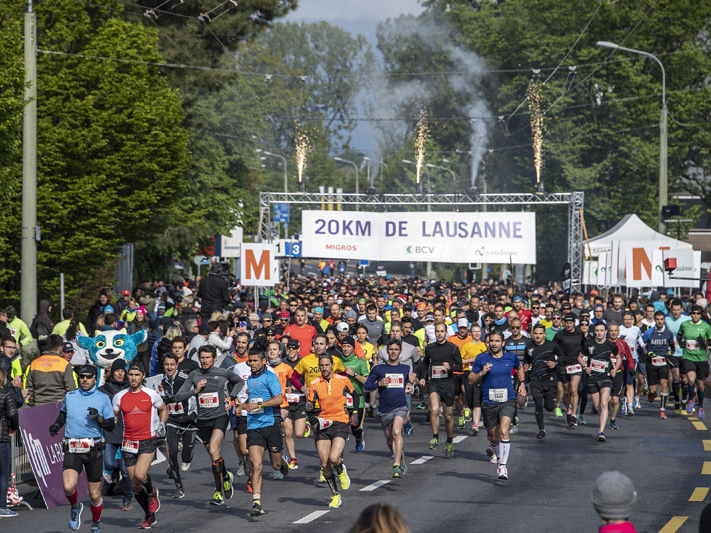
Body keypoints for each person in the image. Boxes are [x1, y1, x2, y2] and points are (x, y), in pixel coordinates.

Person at [174, 345, 244, 505]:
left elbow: (239, 382)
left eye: (208, 357)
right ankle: (226, 476)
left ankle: (218, 492)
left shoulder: (222, 373)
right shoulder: (194, 375)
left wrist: (231, 397)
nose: (205, 361)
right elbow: (179, 396)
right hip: (203, 421)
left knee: (213, 449)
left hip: (219, 417)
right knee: (214, 454)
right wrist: (195, 391)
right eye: (202, 358)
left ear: (214, 359)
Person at [49, 365, 115, 533]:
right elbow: (64, 413)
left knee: (94, 495)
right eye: (82, 376)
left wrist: (98, 418)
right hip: (73, 447)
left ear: (95, 379)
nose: (84, 379)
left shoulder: (103, 398)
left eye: (88, 377)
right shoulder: (70, 396)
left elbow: (110, 425)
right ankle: (75, 507)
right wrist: (57, 424)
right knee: (68, 487)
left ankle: (96, 522)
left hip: (94, 449)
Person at [112, 362, 167, 529]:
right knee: (134, 484)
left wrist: (162, 424)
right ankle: (149, 515)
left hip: (147, 441)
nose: (133, 378)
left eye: (137, 375)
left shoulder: (151, 394)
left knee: (140, 475)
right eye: (131, 375)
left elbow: (163, 409)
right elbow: (112, 417)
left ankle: (152, 492)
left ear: (143, 376)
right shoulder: (119, 396)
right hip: (128, 443)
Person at [238, 351, 289, 517]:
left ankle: (281, 460)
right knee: (256, 465)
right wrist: (242, 406)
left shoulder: (270, 377)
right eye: (250, 361)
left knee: (275, 466)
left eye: (255, 361)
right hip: (254, 426)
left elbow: (279, 399)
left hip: (271, 424)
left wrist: (259, 405)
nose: (251, 364)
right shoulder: (251, 379)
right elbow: (252, 399)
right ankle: (256, 502)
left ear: (263, 361)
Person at [470, 330, 525, 480]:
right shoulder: (482, 359)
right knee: (494, 438)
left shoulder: (510, 358)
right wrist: (481, 373)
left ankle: (502, 466)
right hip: (489, 403)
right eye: (491, 341)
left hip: (507, 400)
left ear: (502, 343)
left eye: (496, 341)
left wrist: (522, 383)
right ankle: (497, 453)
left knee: (504, 430)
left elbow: (520, 367)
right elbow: (471, 379)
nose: (493, 344)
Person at [307, 354, 358, 509]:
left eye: (327, 365)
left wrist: (354, 413)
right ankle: (335, 495)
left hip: (340, 421)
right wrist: (311, 417)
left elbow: (355, 395)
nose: (324, 368)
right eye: (321, 365)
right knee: (324, 463)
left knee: (334, 457)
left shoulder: (343, 380)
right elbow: (309, 405)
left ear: (332, 365)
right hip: (323, 423)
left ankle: (341, 469)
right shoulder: (314, 384)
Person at [364, 339, 414, 478]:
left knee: (397, 432)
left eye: (396, 349)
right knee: (390, 439)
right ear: (387, 351)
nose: (393, 352)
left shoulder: (405, 368)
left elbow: (408, 383)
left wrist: (410, 386)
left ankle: (396, 465)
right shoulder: (378, 369)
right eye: (391, 349)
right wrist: (378, 383)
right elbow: (366, 386)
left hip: (400, 406)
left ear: (400, 352)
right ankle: (400, 456)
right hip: (384, 410)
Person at [417, 322, 463, 458]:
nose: (439, 334)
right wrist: (423, 377)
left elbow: (460, 367)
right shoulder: (430, 348)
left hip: (448, 383)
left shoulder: (453, 348)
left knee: (448, 416)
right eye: (437, 331)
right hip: (434, 383)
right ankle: (435, 436)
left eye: (442, 331)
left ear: (446, 332)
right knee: (435, 409)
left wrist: (450, 368)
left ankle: (449, 440)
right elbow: (426, 363)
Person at [160, 352, 198, 499]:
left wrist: (193, 414)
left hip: (188, 420)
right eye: (166, 364)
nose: (169, 367)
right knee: (172, 452)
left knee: (186, 456)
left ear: (177, 365)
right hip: (173, 421)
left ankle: (187, 458)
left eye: (172, 364)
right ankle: (179, 487)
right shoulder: (162, 381)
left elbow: (194, 395)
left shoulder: (185, 379)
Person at [98, 359, 132, 511]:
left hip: (127, 432)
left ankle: (127, 499)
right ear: (112, 372)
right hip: (110, 432)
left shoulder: (130, 388)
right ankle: (116, 470)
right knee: (110, 464)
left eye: (123, 371)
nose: (120, 373)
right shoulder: (103, 390)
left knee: (126, 472)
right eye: (117, 370)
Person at [581, 323, 621, 442]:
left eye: (602, 330)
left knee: (603, 404)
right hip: (592, 377)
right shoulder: (589, 344)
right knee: (597, 406)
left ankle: (601, 431)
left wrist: (615, 368)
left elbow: (618, 357)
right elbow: (579, 356)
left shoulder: (610, 345)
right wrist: (585, 367)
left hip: (606, 376)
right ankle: (604, 405)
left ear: (605, 332)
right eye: (597, 330)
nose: (599, 333)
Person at [524, 324, 563, 439]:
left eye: (540, 333)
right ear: (532, 334)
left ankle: (553, 403)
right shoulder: (529, 346)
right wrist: (526, 364)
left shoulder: (552, 345)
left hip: (549, 379)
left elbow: (562, 356)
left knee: (549, 407)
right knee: (538, 404)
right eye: (535, 333)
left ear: (544, 334)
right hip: (535, 379)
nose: (538, 336)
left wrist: (555, 363)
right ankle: (541, 429)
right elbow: (527, 358)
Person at [678, 305, 711, 418]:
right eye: (693, 313)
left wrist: (705, 343)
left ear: (701, 315)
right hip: (688, 356)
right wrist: (681, 343)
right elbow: (679, 334)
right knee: (691, 379)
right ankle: (691, 400)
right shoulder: (685, 325)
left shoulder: (706, 327)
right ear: (690, 314)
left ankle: (700, 406)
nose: (695, 315)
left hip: (701, 359)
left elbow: (710, 343)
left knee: (701, 386)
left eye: (697, 313)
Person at [25, 334, 77, 406]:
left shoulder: (35, 363)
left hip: (38, 405)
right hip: (59, 406)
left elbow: (29, 388)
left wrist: (32, 404)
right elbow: (71, 389)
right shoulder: (64, 364)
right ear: (60, 348)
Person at [281, 339, 309, 470]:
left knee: (299, 433)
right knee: (287, 432)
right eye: (289, 348)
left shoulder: (303, 362)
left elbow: (307, 381)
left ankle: (305, 426)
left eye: (294, 348)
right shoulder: (282, 363)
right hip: (286, 402)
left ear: (298, 349)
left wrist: (294, 387)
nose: (291, 350)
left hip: (300, 400)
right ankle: (293, 458)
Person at [552, 313, 585, 426]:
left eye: (571, 323)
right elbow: (553, 348)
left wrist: (583, 359)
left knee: (574, 390)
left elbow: (584, 347)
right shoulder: (559, 335)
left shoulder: (579, 333)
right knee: (566, 391)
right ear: (563, 323)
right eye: (567, 323)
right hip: (563, 365)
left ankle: (574, 415)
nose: (569, 325)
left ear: (574, 323)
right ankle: (568, 409)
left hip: (575, 364)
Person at [642, 311, 674, 419]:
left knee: (664, 383)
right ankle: (651, 393)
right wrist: (648, 352)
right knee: (653, 389)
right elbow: (642, 345)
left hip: (663, 362)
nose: (659, 321)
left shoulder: (668, 333)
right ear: (655, 320)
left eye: (661, 319)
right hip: (651, 363)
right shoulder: (649, 332)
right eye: (657, 319)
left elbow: (672, 346)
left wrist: (670, 351)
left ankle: (662, 411)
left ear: (664, 320)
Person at [340, 337, 370, 451]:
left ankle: (358, 437)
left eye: (349, 346)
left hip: (357, 399)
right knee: (341, 429)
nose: (346, 349)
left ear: (353, 348)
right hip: (341, 400)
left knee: (355, 426)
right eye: (344, 346)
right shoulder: (338, 361)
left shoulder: (360, 362)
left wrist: (354, 374)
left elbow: (367, 381)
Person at [0, 360, 19, 519]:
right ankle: (2, 506)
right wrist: (14, 427)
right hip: (2, 436)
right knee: (3, 473)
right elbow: (13, 414)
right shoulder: (6, 394)